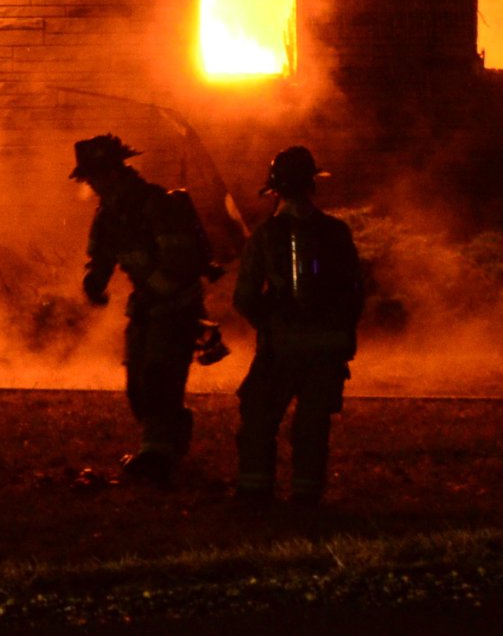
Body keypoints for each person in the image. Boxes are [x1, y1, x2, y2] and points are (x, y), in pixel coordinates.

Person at [71, 133, 219, 483]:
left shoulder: (158, 205)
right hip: (147, 304)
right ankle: (170, 437)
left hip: (176, 304)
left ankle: (156, 457)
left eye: (94, 176)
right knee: (137, 385)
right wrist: (95, 281)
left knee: (159, 376)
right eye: (88, 178)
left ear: (113, 172)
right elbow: (102, 255)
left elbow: (179, 264)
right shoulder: (108, 214)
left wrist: (155, 297)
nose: (91, 184)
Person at [232, 145, 364, 507]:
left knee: (259, 417)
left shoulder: (265, 235)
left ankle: (255, 491)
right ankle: (307, 493)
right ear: (312, 185)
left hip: (282, 347)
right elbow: (355, 291)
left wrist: (270, 324)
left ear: (275, 190)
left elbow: (243, 297)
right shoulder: (337, 232)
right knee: (312, 424)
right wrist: (340, 331)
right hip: (328, 348)